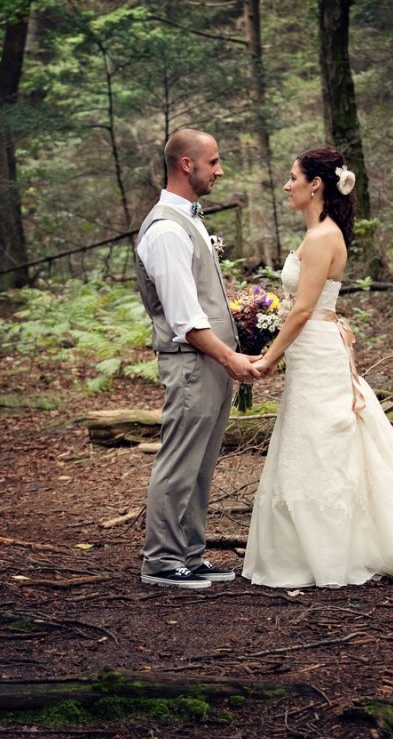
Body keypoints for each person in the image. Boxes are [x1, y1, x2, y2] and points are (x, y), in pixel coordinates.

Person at [242, 146, 393, 588]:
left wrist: (267, 358)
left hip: (316, 351)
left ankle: (334, 552)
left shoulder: (321, 237)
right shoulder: (317, 233)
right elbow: (294, 309)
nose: (286, 185)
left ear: (315, 184)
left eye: (292, 177)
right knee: (309, 443)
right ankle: (309, 550)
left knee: (323, 446)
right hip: (311, 351)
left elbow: (302, 311)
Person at [136, 128, 261, 589]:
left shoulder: (187, 220)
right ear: (187, 165)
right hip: (191, 362)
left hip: (208, 362)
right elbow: (186, 319)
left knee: (202, 462)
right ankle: (162, 561)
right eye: (214, 162)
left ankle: (189, 552)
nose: (220, 170)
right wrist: (231, 358)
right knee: (180, 459)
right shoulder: (167, 230)